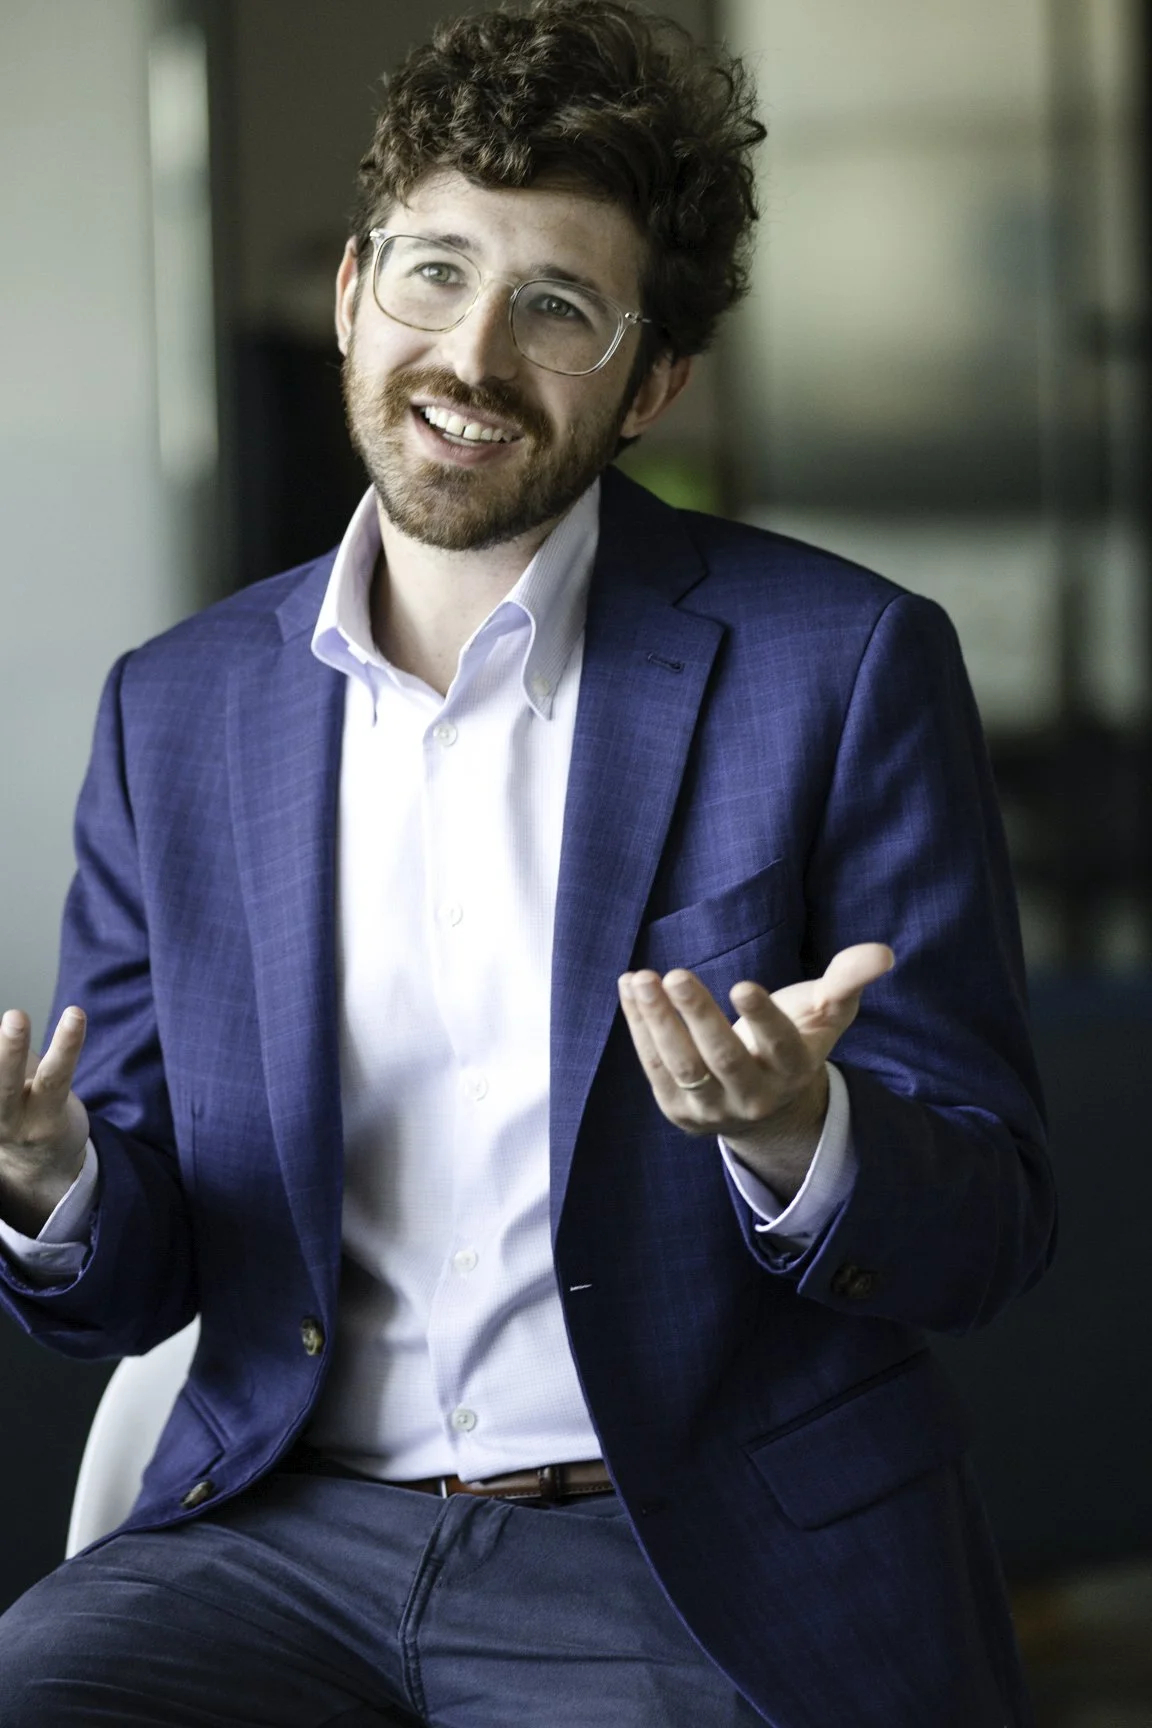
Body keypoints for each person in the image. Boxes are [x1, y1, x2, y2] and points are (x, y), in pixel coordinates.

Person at [0, 2, 1054, 1723]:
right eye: (432, 273)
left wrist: (799, 1134)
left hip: (677, 1547)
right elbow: (139, 1278)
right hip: (281, 1536)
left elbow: (995, 1224)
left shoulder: (840, 666)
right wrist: (53, 1184)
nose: (471, 354)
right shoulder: (172, 712)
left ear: (650, 384)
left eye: (555, 308)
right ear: (353, 292)